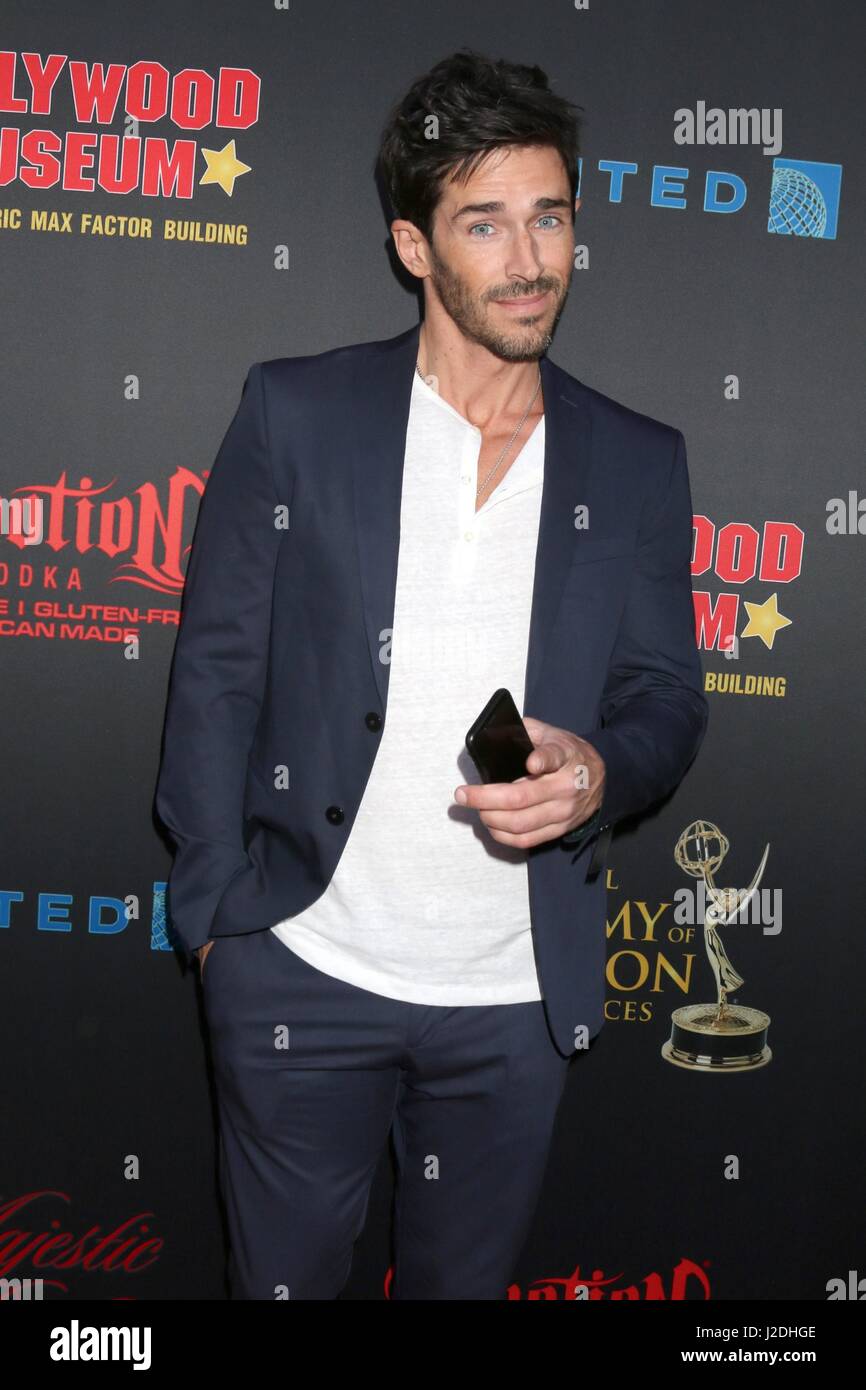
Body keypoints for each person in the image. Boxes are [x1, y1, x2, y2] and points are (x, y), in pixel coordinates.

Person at [154, 48, 708, 1300]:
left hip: (511, 1001)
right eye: (484, 222)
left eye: (550, 216)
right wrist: (219, 927)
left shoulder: (633, 461)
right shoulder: (297, 415)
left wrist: (597, 766)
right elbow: (216, 676)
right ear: (414, 245)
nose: (529, 259)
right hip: (303, 966)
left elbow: (668, 699)